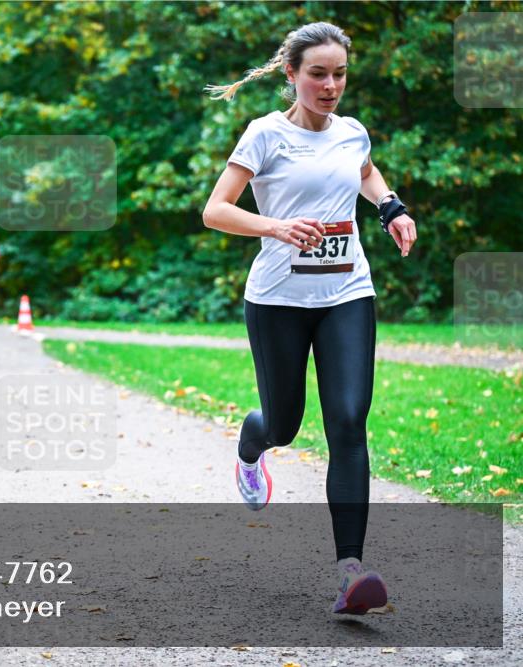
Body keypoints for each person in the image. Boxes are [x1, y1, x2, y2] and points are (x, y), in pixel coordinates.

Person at [201, 21, 416, 615]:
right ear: (291, 74)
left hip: (347, 292)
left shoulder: (352, 132)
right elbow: (216, 210)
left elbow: (365, 172)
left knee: (348, 422)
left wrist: (391, 208)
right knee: (285, 425)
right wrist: (275, 226)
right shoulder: (265, 135)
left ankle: (351, 572)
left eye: (339, 74)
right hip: (278, 300)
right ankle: (253, 443)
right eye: (317, 74)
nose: (330, 86)